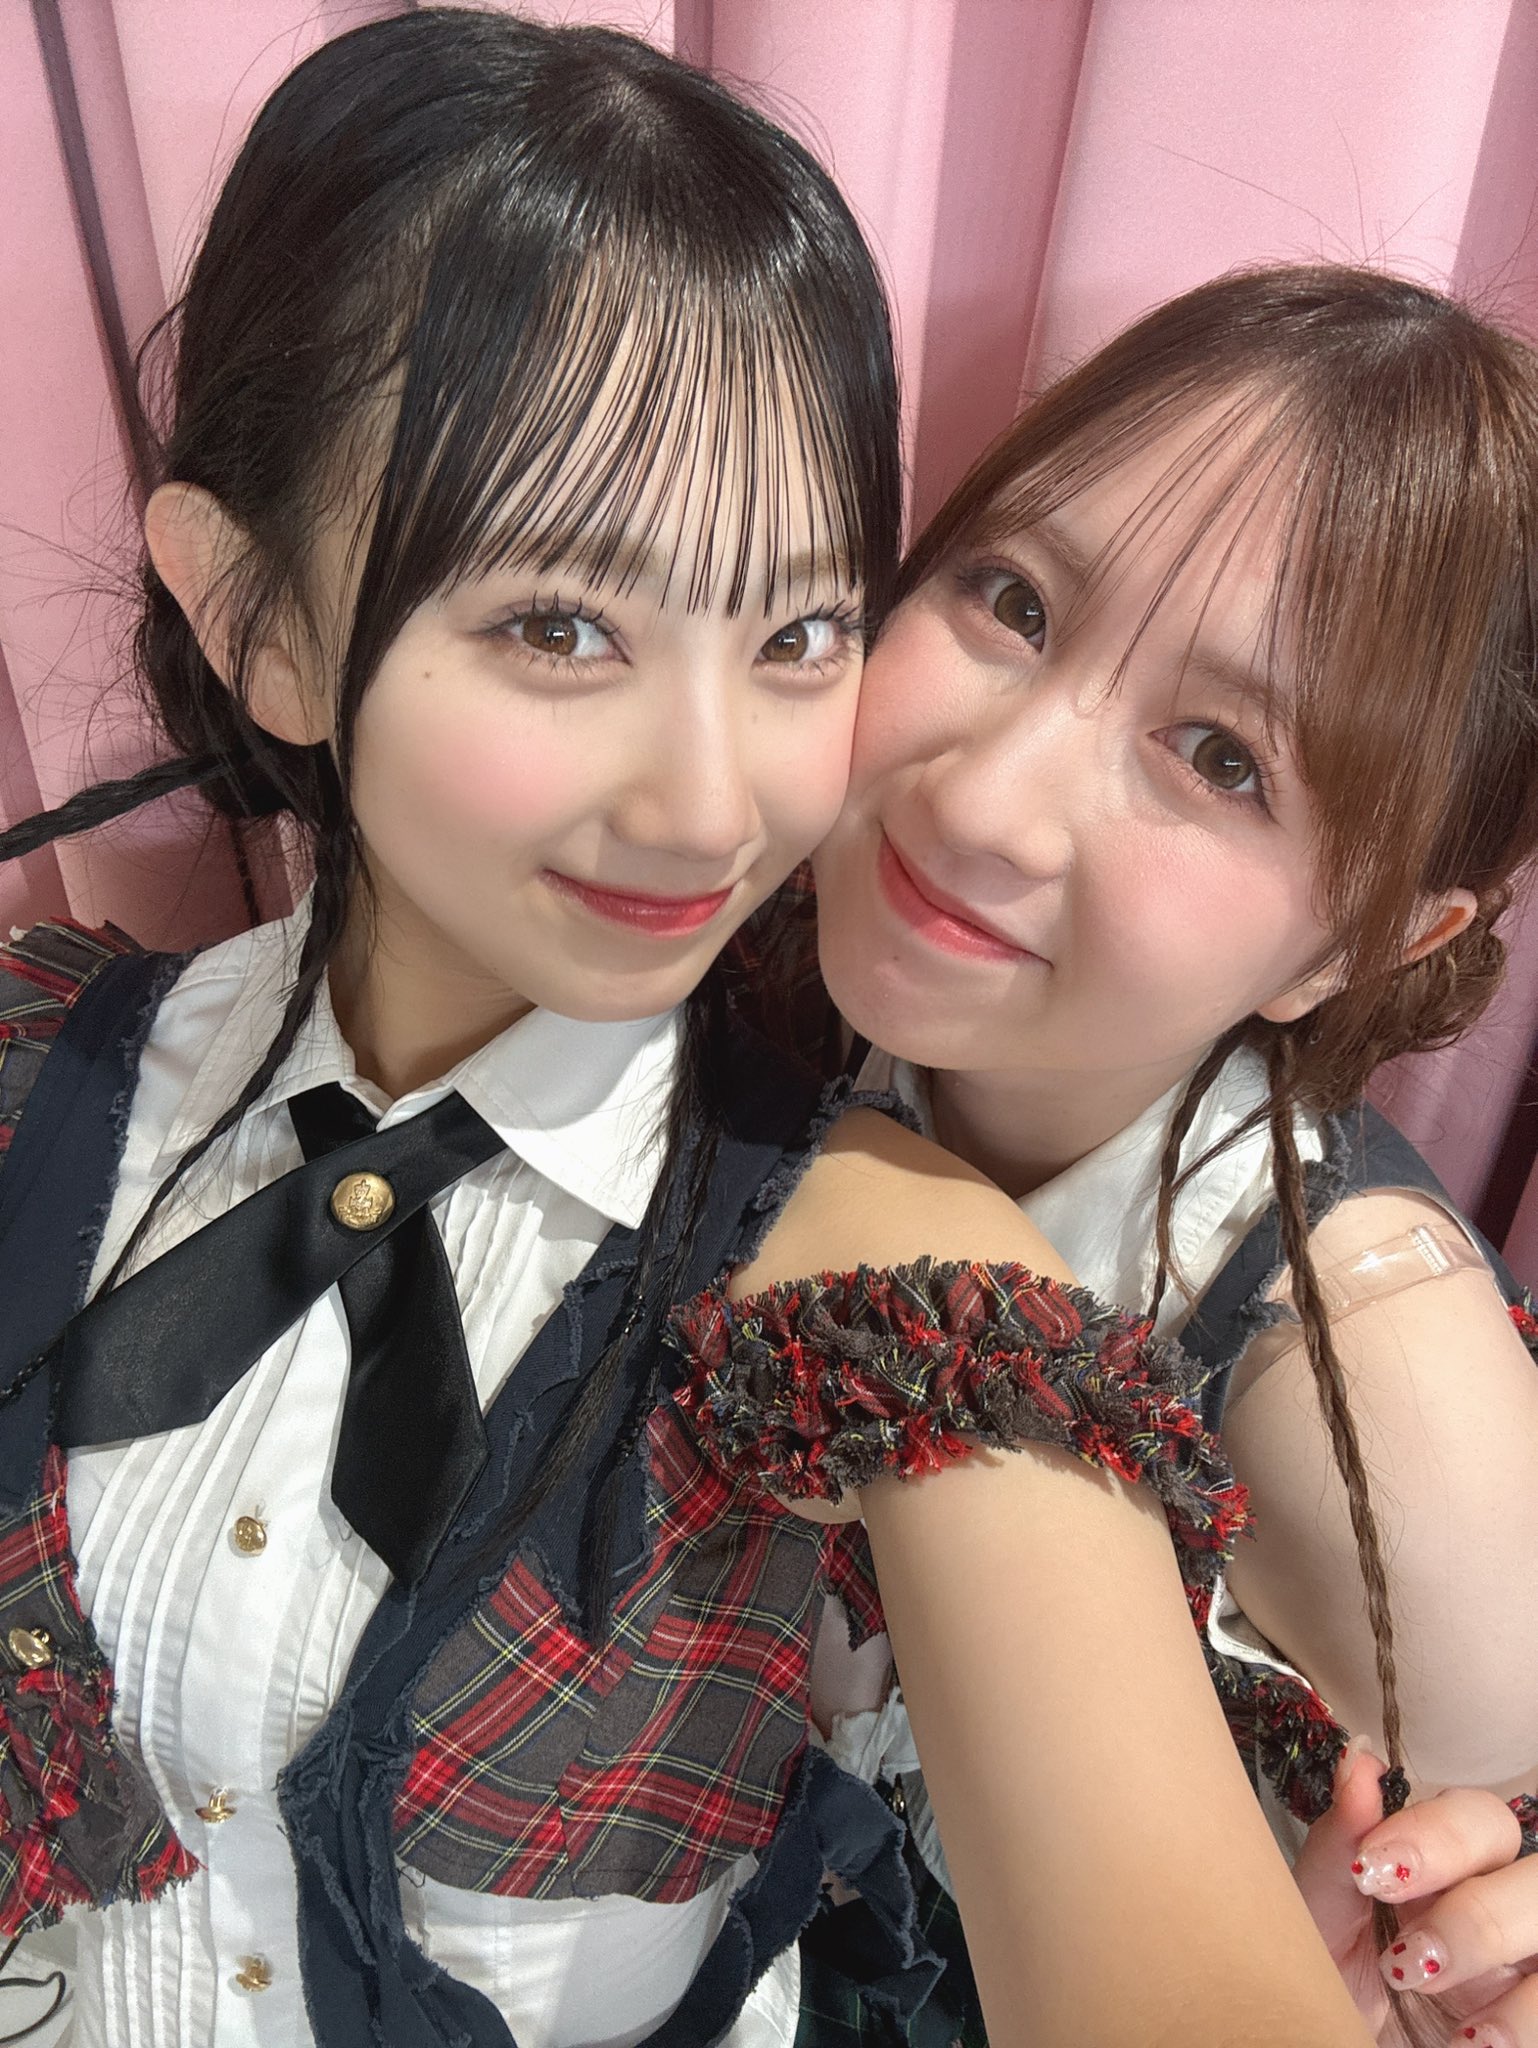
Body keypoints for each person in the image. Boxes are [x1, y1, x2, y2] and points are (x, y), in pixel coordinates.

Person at [0, 16, 1381, 2048]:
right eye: (560, 627)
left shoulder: (874, 1283)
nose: (712, 802)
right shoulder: (40, 1084)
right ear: (256, 614)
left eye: (800, 634)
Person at [804, 263, 1538, 2045]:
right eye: (1011, 598)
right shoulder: (754, 933)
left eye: (1219, 758)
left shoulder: (1365, 1395)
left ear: (1360, 942)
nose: (979, 800)